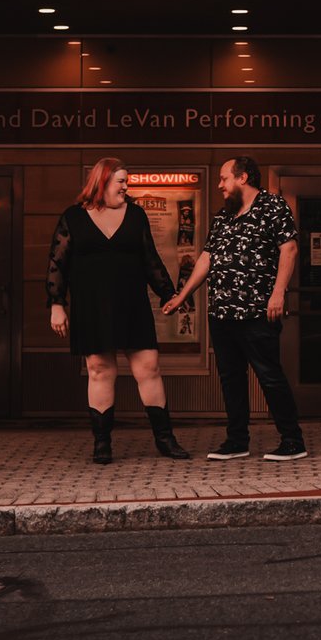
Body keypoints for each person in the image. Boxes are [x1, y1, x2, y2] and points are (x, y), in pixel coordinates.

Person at [49, 156, 191, 465]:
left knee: (149, 367)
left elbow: (150, 261)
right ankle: (102, 443)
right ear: (102, 183)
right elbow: (57, 264)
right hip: (91, 306)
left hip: (132, 303)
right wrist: (57, 304)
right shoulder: (72, 217)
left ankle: (165, 439)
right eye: (121, 181)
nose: (127, 186)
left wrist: (170, 295)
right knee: (100, 370)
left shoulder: (137, 215)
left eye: (127, 181)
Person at [168, 156, 306, 461]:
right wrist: (183, 296)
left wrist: (278, 293)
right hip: (222, 313)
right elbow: (206, 258)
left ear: (242, 177)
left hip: (258, 310)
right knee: (230, 377)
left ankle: (293, 440)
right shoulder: (224, 216)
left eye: (224, 179)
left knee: (269, 375)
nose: (219, 186)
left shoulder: (273, 207)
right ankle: (237, 441)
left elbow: (290, 248)